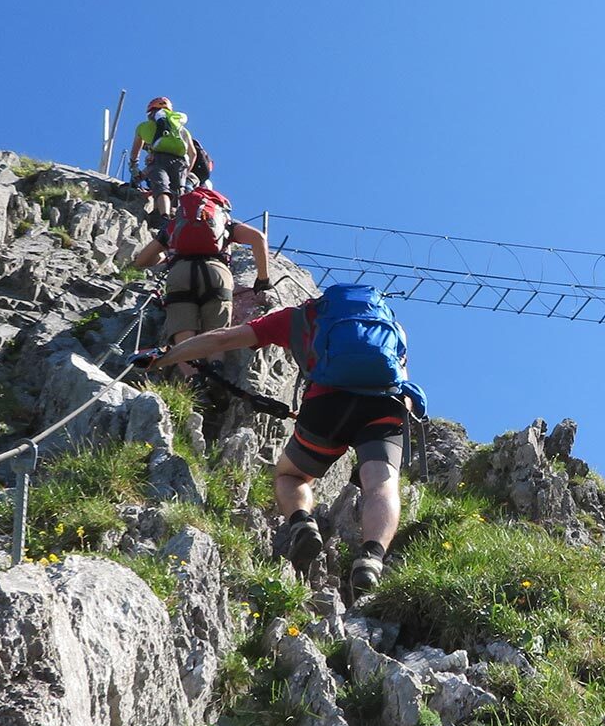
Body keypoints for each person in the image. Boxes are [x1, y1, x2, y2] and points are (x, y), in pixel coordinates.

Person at [130, 283, 426, 601]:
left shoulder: (299, 318)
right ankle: (370, 560)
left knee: (291, 475)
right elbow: (402, 376)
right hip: (385, 407)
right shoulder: (392, 328)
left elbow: (224, 338)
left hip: (327, 404)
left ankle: (302, 524)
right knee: (381, 485)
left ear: (324, 301)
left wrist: (164, 357)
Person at [131, 184, 274, 366]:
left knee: (182, 332)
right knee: (217, 333)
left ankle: (192, 380)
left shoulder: (175, 225)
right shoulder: (225, 221)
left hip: (180, 272)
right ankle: (215, 372)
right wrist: (263, 278)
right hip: (217, 272)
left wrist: (166, 258)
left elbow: (142, 260)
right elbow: (259, 238)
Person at [127, 97, 199, 220]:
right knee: (178, 191)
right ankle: (175, 220)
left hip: (159, 159)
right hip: (180, 162)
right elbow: (193, 154)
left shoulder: (143, 127)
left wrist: (134, 166)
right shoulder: (182, 129)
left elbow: (135, 152)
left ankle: (163, 217)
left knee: (161, 186)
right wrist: (186, 173)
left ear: (151, 112)